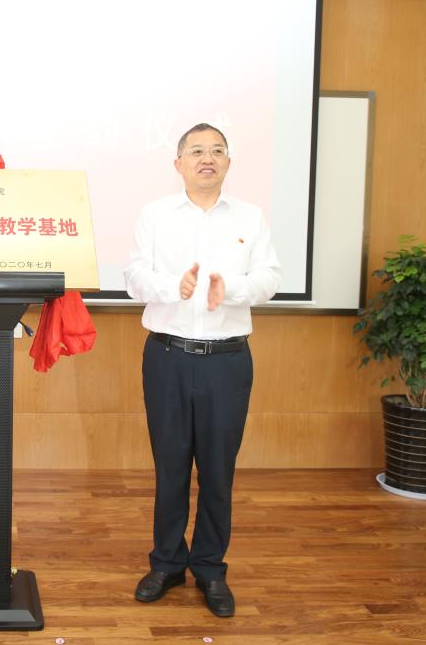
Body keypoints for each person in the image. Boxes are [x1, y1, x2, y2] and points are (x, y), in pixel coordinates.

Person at [124, 123, 280, 618]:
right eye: (196, 151)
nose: (206, 158)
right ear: (179, 164)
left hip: (227, 361)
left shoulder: (251, 217)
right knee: (171, 467)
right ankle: (168, 563)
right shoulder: (155, 215)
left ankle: (210, 568)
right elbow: (133, 277)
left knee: (217, 470)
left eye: (216, 151)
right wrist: (175, 287)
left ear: (228, 162)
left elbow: (269, 278)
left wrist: (229, 290)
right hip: (167, 357)